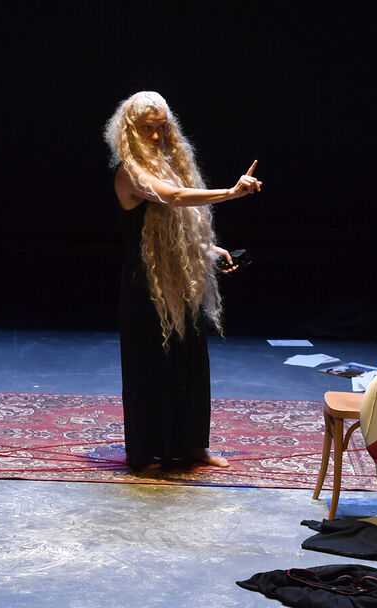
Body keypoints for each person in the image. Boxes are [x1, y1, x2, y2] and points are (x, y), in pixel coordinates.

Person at [103, 91, 262, 471]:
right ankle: (143, 452)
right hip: (145, 286)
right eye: (147, 130)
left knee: (190, 362)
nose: (157, 137)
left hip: (178, 281)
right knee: (149, 368)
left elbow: (174, 227)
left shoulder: (168, 162)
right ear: (130, 131)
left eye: (161, 128)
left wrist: (207, 250)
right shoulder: (129, 172)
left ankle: (192, 445)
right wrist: (230, 193)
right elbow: (172, 198)